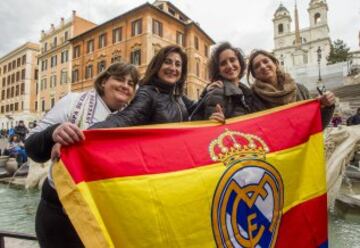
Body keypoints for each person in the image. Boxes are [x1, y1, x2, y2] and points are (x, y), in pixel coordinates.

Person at [25, 62, 140, 248]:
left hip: (104, 216)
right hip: (59, 214)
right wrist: (54, 132)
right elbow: (31, 146)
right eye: (119, 79)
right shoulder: (73, 101)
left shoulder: (134, 118)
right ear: (103, 82)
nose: (125, 86)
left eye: (131, 83)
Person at [91, 45, 224, 129]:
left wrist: (207, 93)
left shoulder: (178, 96)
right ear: (157, 66)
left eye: (178, 64)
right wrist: (87, 134)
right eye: (167, 62)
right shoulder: (147, 93)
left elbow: (195, 110)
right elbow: (126, 119)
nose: (173, 68)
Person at [247, 49, 335, 127]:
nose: (262, 66)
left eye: (266, 61)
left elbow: (316, 125)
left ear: (275, 63)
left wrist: (327, 106)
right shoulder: (252, 99)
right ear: (254, 74)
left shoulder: (300, 90)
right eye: (257, 66)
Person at [191, 42, 264, 120]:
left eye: (232, 60)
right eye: (223, 63)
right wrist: (220, 124)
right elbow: (213, 129)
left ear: (239, 62)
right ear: (218, 70)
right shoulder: (217, 92)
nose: (229, 66)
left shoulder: (247, 93)